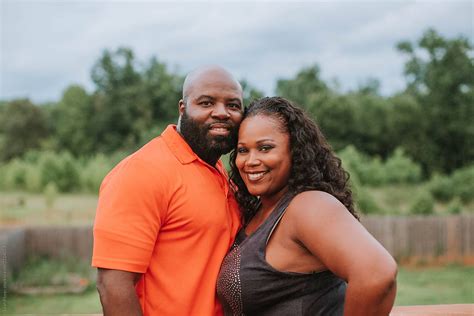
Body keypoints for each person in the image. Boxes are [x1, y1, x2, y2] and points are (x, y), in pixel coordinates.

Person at [217, 97, 397, 316]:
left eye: (265, 148)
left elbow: (376, 275)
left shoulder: (308, 205)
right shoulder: (259, 211)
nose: (251, 160)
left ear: (295, 151)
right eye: (243, 150)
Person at [92, 65, 244, 316]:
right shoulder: (141, 172)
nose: (221, 113)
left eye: (233, 105)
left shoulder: (223, 172)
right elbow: (113, 286)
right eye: (206, 103)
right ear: (182, 109)